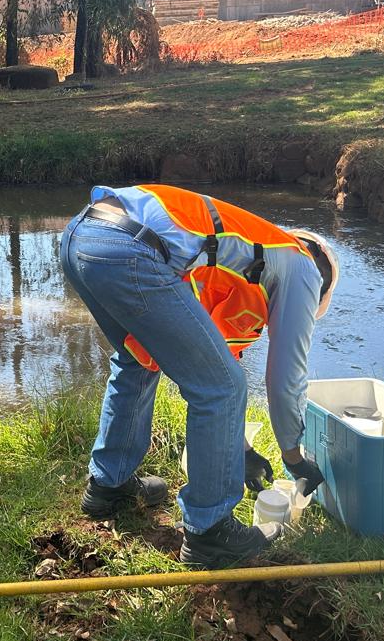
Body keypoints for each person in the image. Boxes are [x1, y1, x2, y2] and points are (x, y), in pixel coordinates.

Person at [59, 183, 339, 568]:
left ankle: (109, 485)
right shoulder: (303, 267)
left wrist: (239, 452)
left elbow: (215, 360)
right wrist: (294, 456)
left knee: (139, 361)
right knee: (220, 389)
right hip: (129, 248)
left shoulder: (242, 259)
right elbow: (284, 377)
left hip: (83, 234)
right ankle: (210, 531)